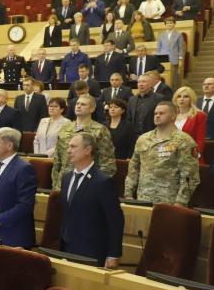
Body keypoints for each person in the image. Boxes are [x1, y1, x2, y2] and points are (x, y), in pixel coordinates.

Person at [59, 133, 124, 268]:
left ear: (87, 150)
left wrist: (113, 254)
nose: (68, 150)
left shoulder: (102, 182)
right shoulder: (66, 178)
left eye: (73, 147)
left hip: (91, 251)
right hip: (66, 247)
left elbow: (115, 221)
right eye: (68, 147)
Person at [125, 101, 200, 205]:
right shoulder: (143, 139)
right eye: (155, 113)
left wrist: (181, 202)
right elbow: (133, 168)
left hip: (169, 201)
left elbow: (190, 175)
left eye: (161, 113)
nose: (157, 116)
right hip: (143, 198)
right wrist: (128, 194)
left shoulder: (184, 141)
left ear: (173, 116)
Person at [0, 128, 36, 248]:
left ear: (9, 145)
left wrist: (0, 219)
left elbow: (26, 204)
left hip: (13, 235)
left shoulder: (24, 169)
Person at [52, 94, 117, 188]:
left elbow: (107, 164)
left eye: (83, 104)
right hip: (64, 182)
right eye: (77, 104)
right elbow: (57, 160)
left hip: (88, 183)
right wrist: (55, 184)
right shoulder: (65, 128)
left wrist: (97, 185)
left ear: (92, 109)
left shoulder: (100, 130)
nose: (78, 106)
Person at [174, 86, 207, 158]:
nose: (182, 99)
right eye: (179, 96)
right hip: (171, 153)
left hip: (190, 154)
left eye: (186, 96)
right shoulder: (172, 115)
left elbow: (200, 140)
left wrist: (195, 154)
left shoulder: (199, 115)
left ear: (191, 99)